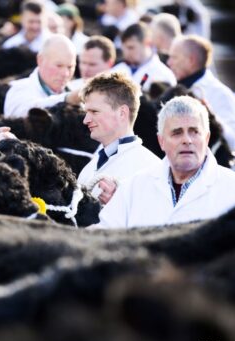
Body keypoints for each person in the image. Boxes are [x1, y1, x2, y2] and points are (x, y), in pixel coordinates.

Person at [97, 95, 235, 228]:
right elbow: (104, 234)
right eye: (177, 133)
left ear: (206, 138)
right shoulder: (133, 187)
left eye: (194, 132)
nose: (187, 140)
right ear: (161, 141)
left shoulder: (231, 188)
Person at [77, 71, 160, 205]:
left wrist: (118, 204)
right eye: (86, 112)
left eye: (94, 112)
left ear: (122, 113)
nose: (86, 120)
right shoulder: (89, 168)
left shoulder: (151, 169)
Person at [167, 35, 235, 150]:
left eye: (174, 57)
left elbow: (233, 141)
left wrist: (211, 116)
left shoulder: (220, 93)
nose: (169, 62)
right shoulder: (174, 88)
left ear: (191, 60)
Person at [3, 34, 81, 118]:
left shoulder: (76, 92)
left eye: (70, 67)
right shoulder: (18, 89)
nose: (65, 74)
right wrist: (67, 99)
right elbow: (27, 113)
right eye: (59, 66)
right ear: (40, 60)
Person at [111, 22, 176, 92]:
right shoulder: (116, 70)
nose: (126, 53)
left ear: (147, 43)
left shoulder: (163, 75)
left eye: (131, 48)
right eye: (123, 49)